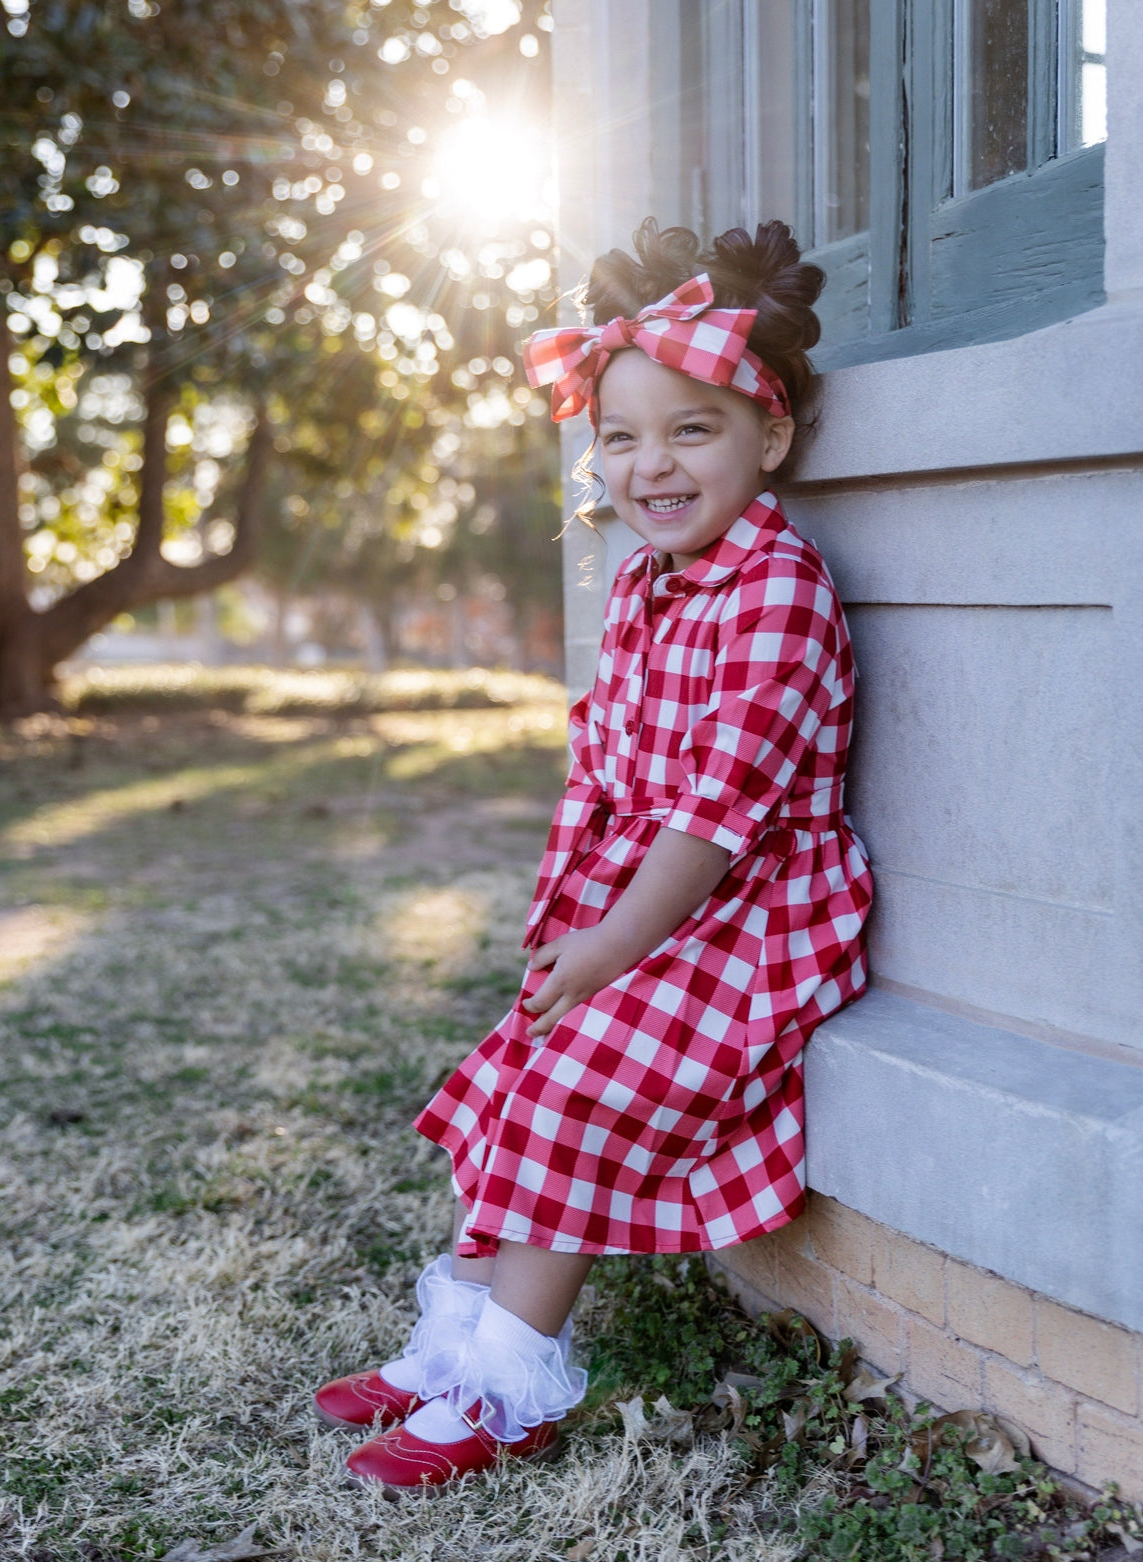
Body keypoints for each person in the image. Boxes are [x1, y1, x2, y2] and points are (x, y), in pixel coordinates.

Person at [314, 218, 874, 1491]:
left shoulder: (774, 590)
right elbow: (608, 770)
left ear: (768, 437)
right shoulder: (640, 581)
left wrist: (613, 942)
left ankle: (508, 1388)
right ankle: (452, 1343)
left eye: (691, 429)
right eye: (618, 437)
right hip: (641, 891)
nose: (648, 464)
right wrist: (576, 917)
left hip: (748, 909)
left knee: (572, 1089)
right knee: (519, 1072)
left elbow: (715, 818)